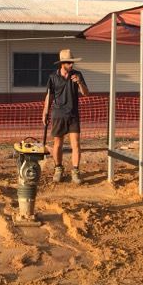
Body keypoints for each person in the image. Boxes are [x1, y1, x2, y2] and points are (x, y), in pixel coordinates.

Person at [42, 48, 89, 184]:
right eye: (69, 63)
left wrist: (79, 82)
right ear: (62, 63)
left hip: (73, 114)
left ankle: (75, 171)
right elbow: (49, 96)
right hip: (58, 115)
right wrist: (45, 112)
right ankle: (58, 169)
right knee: (58, 144)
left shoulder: (77, 75)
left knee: (76, 144)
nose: (71, 65)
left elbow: (86, 93)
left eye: (72, 63)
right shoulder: (53, 77)